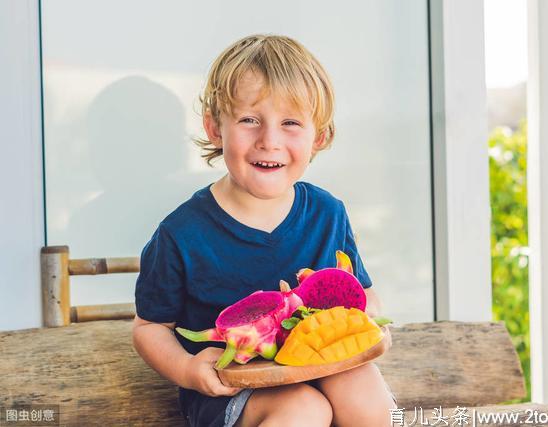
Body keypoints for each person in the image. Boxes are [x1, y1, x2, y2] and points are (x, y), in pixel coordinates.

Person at [132, 34, 396, 427]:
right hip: (233, 388)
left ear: (318, 136)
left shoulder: (328, 213)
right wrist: (188, 370)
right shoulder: (180, 233)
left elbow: (363, 293)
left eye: (290, 123)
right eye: (249, 120)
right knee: (304, 410)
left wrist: (362, 316)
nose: (269, 141)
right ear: (215, 129)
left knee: (364, 393)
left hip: (319, 361)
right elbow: (150, 327)